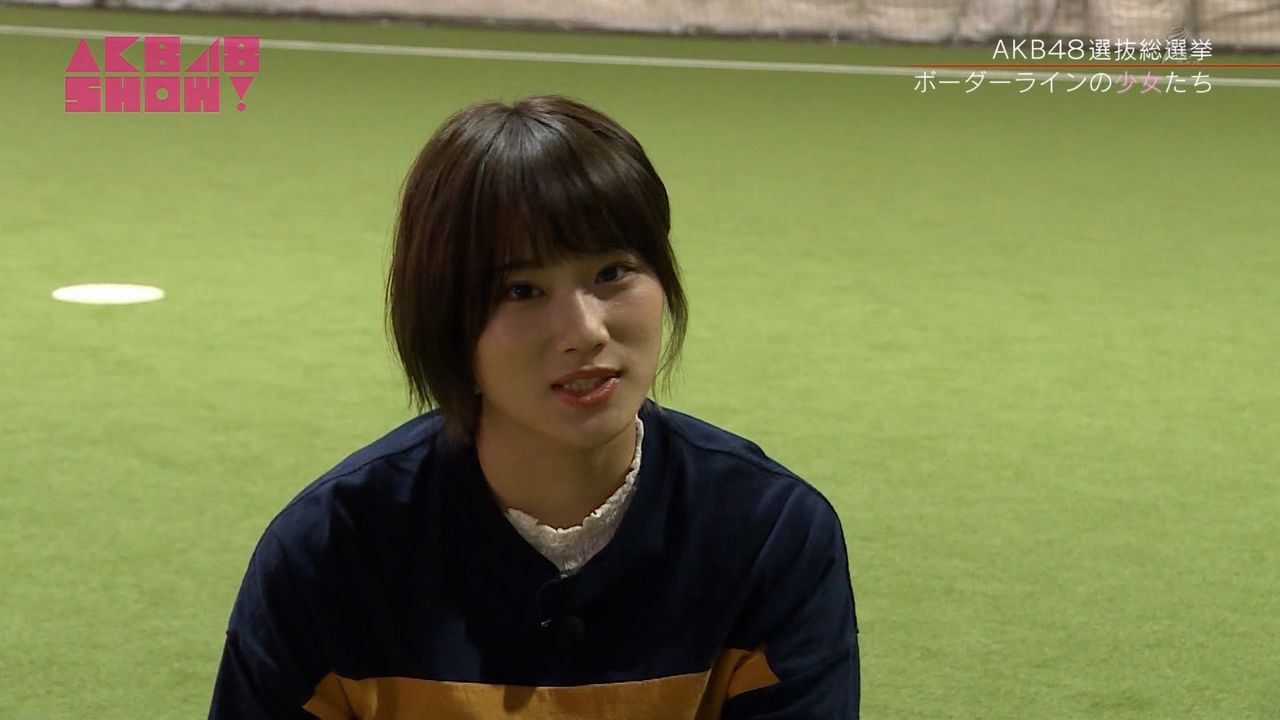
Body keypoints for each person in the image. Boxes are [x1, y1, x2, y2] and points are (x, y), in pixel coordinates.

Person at [209, 95, 859, 719]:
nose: (584, 331)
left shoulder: (769, 534)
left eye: (612, 273)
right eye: (522, 290)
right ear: (442, 320)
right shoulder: (330, 552)